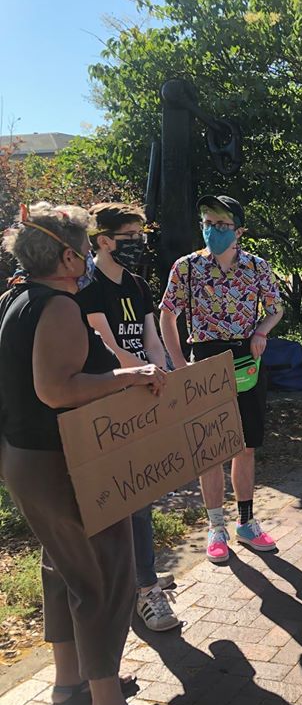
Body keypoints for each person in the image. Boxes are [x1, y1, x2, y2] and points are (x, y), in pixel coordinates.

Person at [0, 203, 166, 705]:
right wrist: (127, 377)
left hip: (27, 460)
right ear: (69, 255)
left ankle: (69, 684)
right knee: (104, 574)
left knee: (65, 571)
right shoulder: (57, 307)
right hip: (64, 462)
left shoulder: (16, 299)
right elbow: (56, 390)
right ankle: (107, 703)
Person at [159, 195, 284, 563]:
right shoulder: (187, 268)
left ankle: (246, 522)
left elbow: (275, 308)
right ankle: (216, 527)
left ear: (239, 231)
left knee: (245, 445)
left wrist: (261, 331)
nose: (212, 230)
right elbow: (167, 316)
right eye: (208, 223)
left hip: (247, 360)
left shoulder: (258, 268)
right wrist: (179, 363)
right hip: (205, 361)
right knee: (209, 450)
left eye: (222, 225)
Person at [78, 203, 179, 632]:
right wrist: (138, 373)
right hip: (106, 405)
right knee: (127, 501)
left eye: (141, 236)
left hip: (140, 399)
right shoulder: (87, 285)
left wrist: (163, 375)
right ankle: (142, 589)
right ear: (103, 240)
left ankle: (141, 578)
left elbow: (151, 337)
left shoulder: (137, 284)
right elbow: (106, 343)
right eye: (130, 237)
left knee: (142, 493)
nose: (139, 245)